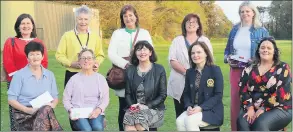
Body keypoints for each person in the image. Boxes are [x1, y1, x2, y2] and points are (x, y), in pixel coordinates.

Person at [55, 5, 105, 130]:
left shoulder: (95, 36)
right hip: (73, 74)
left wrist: (96, 63)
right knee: (74, 107)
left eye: (85, 19)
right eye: (80, 19)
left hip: (90, 75)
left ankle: (96, 121)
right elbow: (59, 55)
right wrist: (71, 63)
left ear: (89, 20)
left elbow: (100, 54)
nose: (83, 22)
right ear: (76, 19)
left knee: (91, 102)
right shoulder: (67, 36)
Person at [223, 1, 269, 130]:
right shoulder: (234, 30)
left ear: (253, 13)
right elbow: (227, 50)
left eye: (247, 11)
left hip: (255, 71)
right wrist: (228, 58)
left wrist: (254, 60)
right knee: (236, 103)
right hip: (236, 71)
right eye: (242, 11)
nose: (245, 14)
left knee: (255, 101)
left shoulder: (261, 31)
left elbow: (270, 51)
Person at [107, 5, 153, 131]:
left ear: (136, 16)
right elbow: (111, 53)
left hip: (142, 73)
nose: (128, 18)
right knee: (124, 107)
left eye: (130, 15)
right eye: (125, 16)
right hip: (123, 74)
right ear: (122, 19)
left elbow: (150, 51)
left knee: (142, 106)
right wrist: (126, 65)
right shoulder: (117, 33)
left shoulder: (144, 33)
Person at [2, 13, 48, 131]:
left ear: (33, 26)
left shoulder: (39, 42)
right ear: (18, 26)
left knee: (35, 112)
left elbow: (44, 62)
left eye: (28, 23)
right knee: (17, 114)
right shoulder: (10, 41)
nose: (25, 26)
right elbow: (8, 61)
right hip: (15, 82)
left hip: (35, 82)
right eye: (22, 23)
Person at [237, 37, 292, 131]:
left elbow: (281, 93)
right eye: (262, 47)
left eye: (269, 48)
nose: (265, 50)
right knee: (242, 121)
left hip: (280, 107)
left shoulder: (283, 67)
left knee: (260, 123)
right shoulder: (249, 69)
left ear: (274, 51)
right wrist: (250, 108)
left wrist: (263, 108)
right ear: (258, 50)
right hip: (253, 108)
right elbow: (243, 90)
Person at [7, 41, 62, 131]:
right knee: (46, 112)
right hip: (25, 114)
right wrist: (28, 110)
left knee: (46, 109)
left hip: (45, 111)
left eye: (38, 54)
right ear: (27, 57)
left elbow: (55, 97)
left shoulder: (50, 75)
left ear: (42, 56)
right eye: (32, 54)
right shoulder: (19, 75)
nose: (35, 57)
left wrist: (51, 105)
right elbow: (11, 100)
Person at [167, 13, 213, 119]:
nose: (191, 24)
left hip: (201, 83)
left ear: (198, 25)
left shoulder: (204, 40)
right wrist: (187, 73)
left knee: (198, 115)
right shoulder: (177, 40)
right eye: (188, 21)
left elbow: (209, 60)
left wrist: (197, 75)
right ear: (184, 25)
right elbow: (172, 60)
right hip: (180, 83)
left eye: (194, 22)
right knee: (181, 116)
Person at [176, 41, 224, 131]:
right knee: (179, 121)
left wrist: (200, 107)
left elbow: (218, 95)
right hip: (193, 108)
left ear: (206, 53)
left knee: (190, 121)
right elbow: (186, 94)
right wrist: (189, 106)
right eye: (193, 53)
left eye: (199, 52)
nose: (195, 55)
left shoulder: (215, 70)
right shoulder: (190, 72)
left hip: (211, 110)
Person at [123, 40, 167, 131]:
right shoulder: (130, 70)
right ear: (135, 53)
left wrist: (147, 106)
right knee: (129, 126)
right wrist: (133, 106)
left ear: (150, 52)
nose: (142, 52)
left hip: (154, 109)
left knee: (139, 122)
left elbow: (162, 95)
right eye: (138, 50)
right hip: (134, 108)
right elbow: (127, 94)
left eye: (145, 49)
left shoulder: (159, 69)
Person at [63, 49, 109, 131]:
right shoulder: (73, 79)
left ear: (94, 61)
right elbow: (66, 99)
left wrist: (98, 110)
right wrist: (71, 110)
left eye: (89, 58)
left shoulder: (100, 79)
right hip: (78, 112)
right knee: (87, 129)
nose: (86, 61)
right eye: (83, 58)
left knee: (97, 127)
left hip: (95, 111)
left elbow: (105, 99)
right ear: (79, 61)